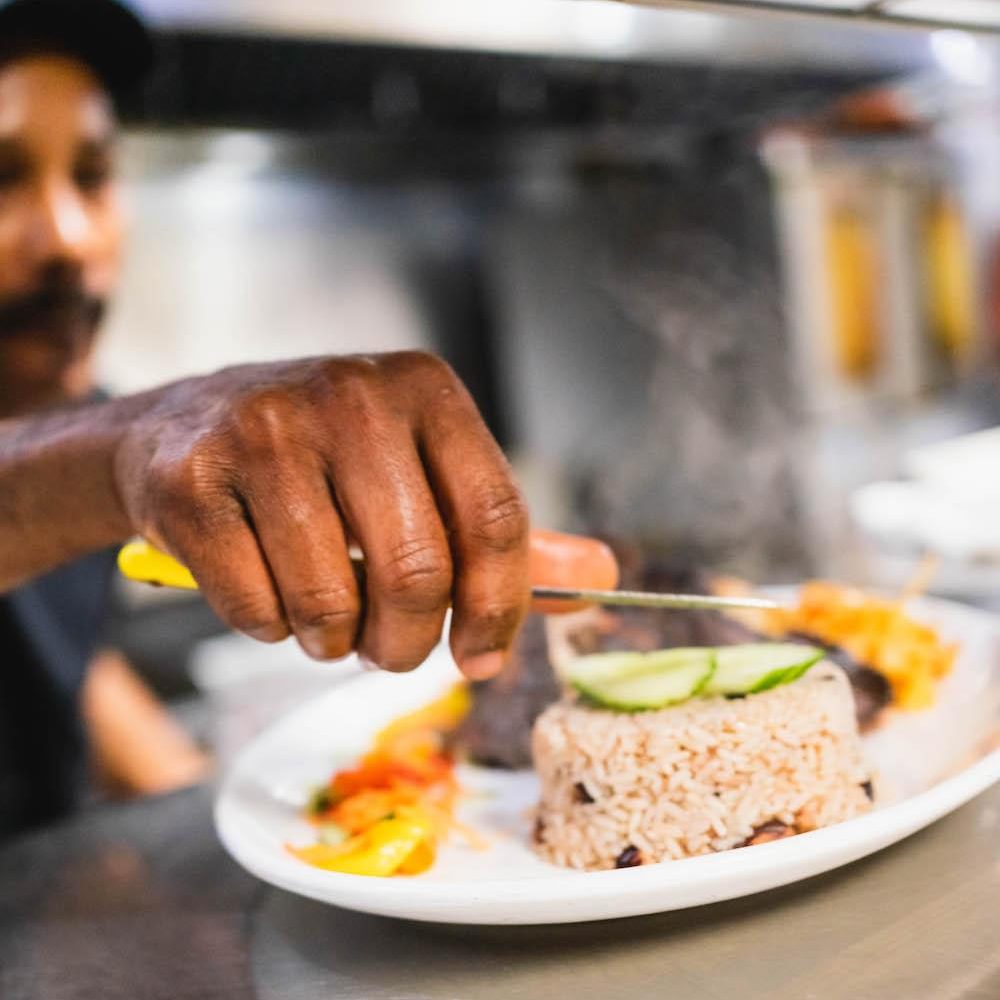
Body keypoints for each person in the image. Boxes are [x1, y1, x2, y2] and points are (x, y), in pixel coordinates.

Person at [0, 0, 618, 837]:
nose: (69, 237)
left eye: (93, 174)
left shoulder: (72, 409)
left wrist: (229, 820)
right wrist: (117, 458)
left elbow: (58, 660)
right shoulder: (104, 447)